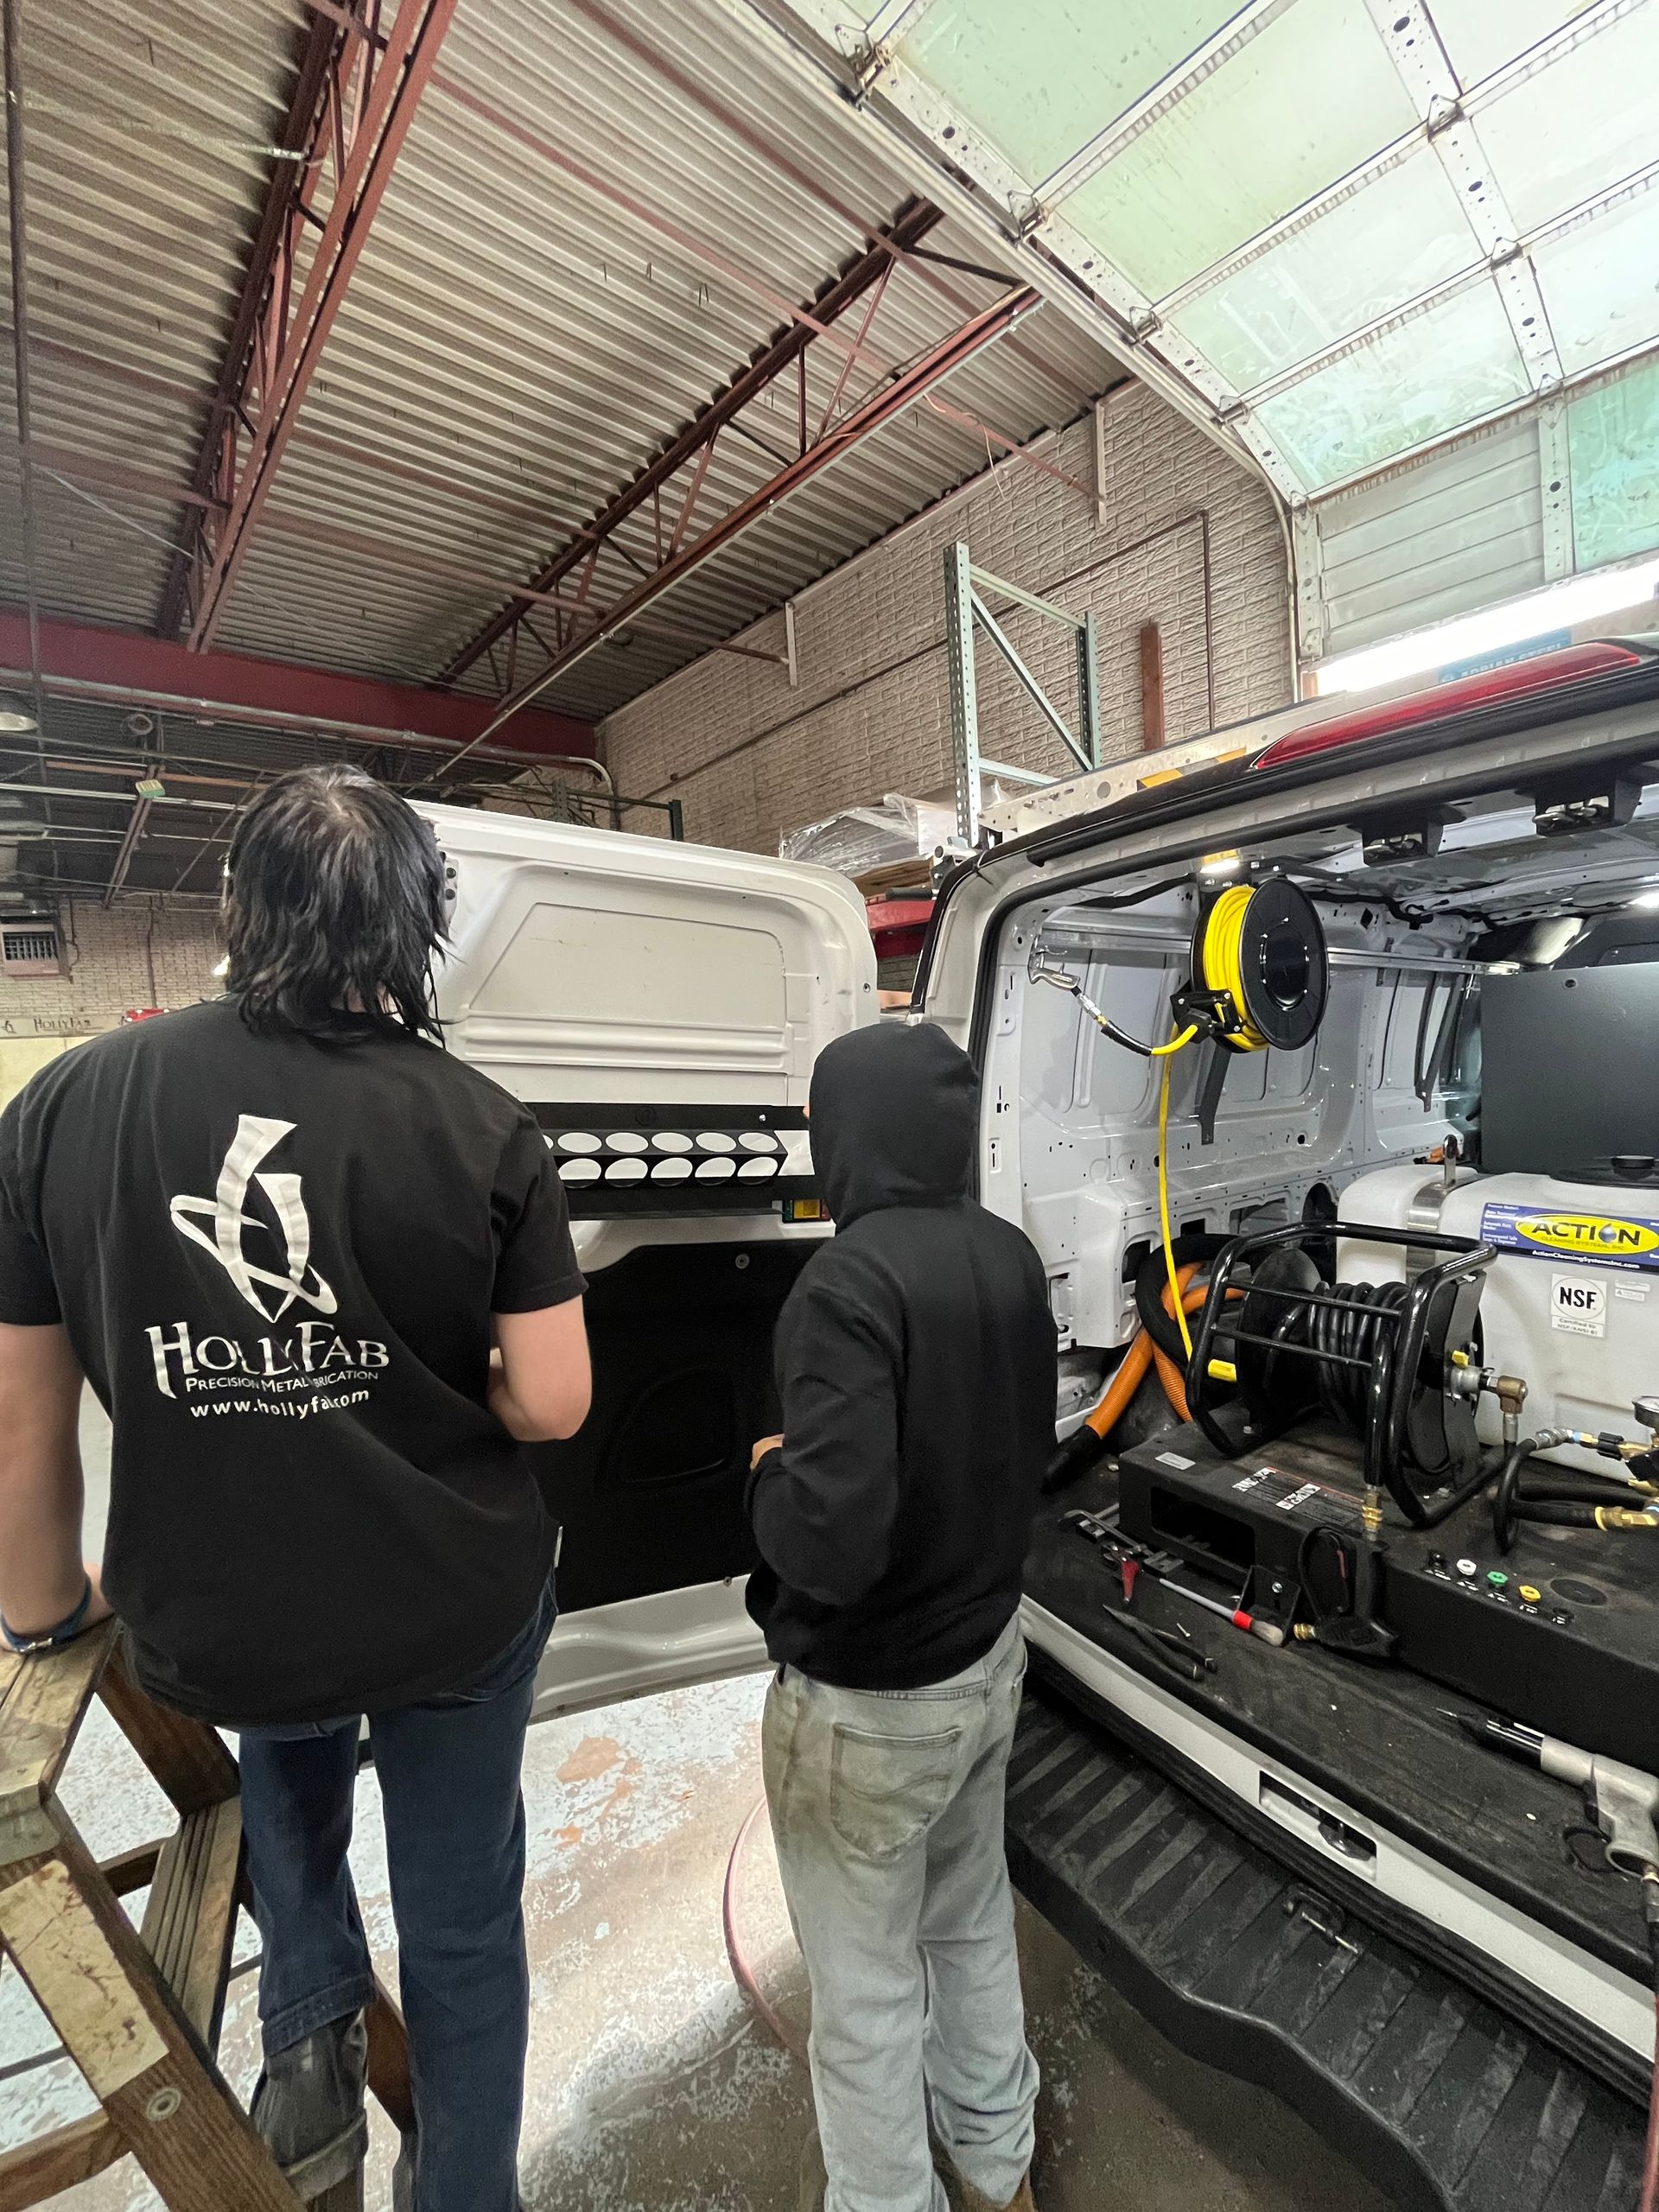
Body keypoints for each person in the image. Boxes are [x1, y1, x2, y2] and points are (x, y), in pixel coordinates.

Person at [0, 765, 590, 2212]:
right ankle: (464, 2191)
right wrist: (436, 1376)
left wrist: (44, 1609)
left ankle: (309, 2035)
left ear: (235, 906)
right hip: (446, 1602)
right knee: (462, 1917)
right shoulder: (480, 1123)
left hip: (221, 1607)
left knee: (282, 1719)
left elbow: (21, 1412)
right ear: (419, 923)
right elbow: (554, 1401)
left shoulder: (64, 1105)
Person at [747, 1020, 1058, 2212]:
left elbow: (830, 1544)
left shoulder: (845, 1285)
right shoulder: (1009, 1255)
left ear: (845, 1136)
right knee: (968, 1925)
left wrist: (767, 1477)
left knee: (866, 2000)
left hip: (870, 1708)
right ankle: (1000, 2172)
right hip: (987, 1661)